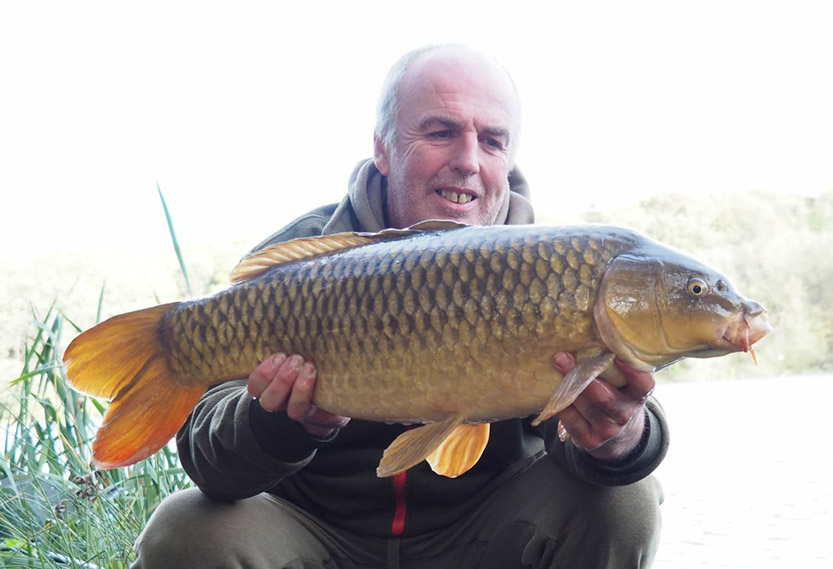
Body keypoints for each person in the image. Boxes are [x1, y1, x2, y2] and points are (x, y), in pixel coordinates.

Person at [131, 44, 667, 569]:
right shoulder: (295, 271)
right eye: (440, 132)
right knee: (186, 530)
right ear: (383, 149)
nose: (467, 161)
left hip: (485, 537)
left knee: (627, 501)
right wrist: (280, 426)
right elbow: (208, 463)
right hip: (319, 540)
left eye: (493, 141)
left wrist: (619, 438)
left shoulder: (550, 268)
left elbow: (619, 436)